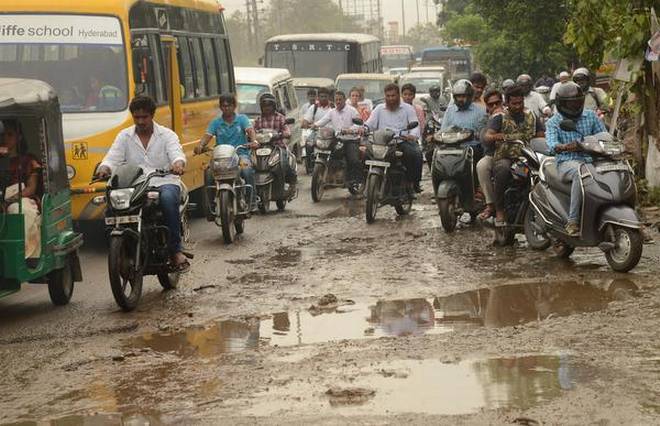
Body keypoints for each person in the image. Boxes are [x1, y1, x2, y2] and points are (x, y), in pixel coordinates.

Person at [97, 96, 189, 271]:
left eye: (144, 117)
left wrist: (178, 163)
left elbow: (177, 153)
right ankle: (119, 248)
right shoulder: (124, 136)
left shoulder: (167, 135)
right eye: (136, 117)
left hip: (164, 181)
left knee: (169, 200)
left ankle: (175, 251)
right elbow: (112, 157)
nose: (140, 121)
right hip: (135, 185)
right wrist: (105, 167)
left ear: (152, 115)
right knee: (110, 205)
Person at [546, 82, 606, 236]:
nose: (575, 106)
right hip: (567, 162)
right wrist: (565, 146)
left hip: (592, 159)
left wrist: (608, 143)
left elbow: (603, 135)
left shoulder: (590, 115)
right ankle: (573, 220)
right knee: (580, 173)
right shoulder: (553, 122)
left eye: (578, 102)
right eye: (571, 104)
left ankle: (633, 217)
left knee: (619, 168)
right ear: (561, 104)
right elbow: (552, 145)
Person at [484, 85, 545, 226]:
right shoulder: (499, 117)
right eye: (514, 103)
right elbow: (487, 136)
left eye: (520, 103)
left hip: (529, 157)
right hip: (506, 157)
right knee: (502, 170)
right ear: (507, 103)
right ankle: (499, 210)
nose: (518, 106)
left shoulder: (532, 116)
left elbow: (541, 136)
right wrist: (498, 136)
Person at [195, 93, 257, 213]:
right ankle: (210, 207)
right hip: (221, 158)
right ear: (220, 107)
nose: (226, 108)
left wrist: (253, 141)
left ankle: (252, 201)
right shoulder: (216, 123)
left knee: (247, 170)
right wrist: (201, 145)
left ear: (234, 106)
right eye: (223, 106)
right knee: (208, 173)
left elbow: (250, 130)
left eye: (228, 106)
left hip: (240, 155)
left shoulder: (242, 119)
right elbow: (207, 136)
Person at [364, 83, 424, 193]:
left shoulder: (408, 108)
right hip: (381, 142)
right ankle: (363, 184)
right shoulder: (379, 109)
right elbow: (370, 123)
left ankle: (413, 183)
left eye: (393, 96)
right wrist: (364, 128)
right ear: (385, 96)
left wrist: (412, 135)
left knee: (415, 153)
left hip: (400, 141)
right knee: (363, 154)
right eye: (388, 96)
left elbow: (415, 126)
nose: (391, 98)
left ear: (398, 95)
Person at [0, 119, 42, 259]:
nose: (5, 138)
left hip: (21, 198)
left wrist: (9, 200)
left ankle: (24, 256)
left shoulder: (28, 160)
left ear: (19, 137)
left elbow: (31, 188)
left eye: (10, 135)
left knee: (19, 211)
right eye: (2, 135)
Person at [312, 90, 363, 192]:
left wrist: (349, 130)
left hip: (350, 139)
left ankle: (355, 180)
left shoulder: (352, 111)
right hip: (337, 139)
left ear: (344, 100)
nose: (338, 102)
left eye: (340, 99)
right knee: (327, 153)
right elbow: (322, 121)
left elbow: (359, 124)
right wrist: (313, 125)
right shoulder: (332, 112)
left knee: (353, 160)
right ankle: (329, 175)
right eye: (336, 100)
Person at [253, 93, 298, 199]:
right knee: (251, 165)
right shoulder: (258, 120)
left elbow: (287, 130)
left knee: (284, 163)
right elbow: (252, 131)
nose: (267, 108)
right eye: (264, 106)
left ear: (273, 106)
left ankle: (291, 183)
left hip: (278, 147)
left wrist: (283, 134)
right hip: (261, 148)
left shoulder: (280, 118)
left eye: (269, 105)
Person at [440, 79, 488, 161]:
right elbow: (443, 130)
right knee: (431, 154)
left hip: (471, 148)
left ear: (469, 96)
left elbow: (484, 132)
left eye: (463, 96)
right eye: (458, 96)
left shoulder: (481, 111)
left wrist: (477, 134)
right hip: (451, 147)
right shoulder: (450, 110)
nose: (460, 99)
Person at [476, 88, 505, 220]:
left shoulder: (510, 114)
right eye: (491, 104)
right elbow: (484, 139)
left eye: (497, 103)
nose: (494, 106)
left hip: (515, 154)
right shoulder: (485, 119)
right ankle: (490, 204)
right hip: (493, 154)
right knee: (482, 166)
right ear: (486, 106)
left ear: (502, 102)